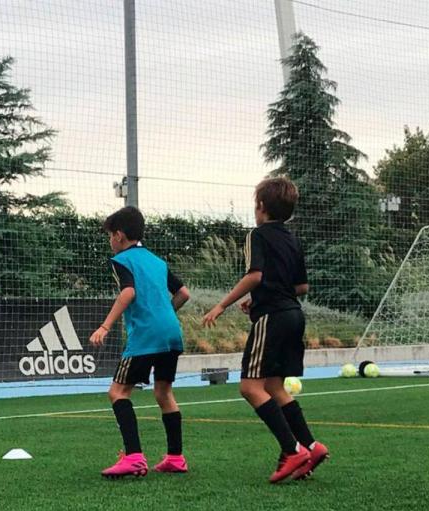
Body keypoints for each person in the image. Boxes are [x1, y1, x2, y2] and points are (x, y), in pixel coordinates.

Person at [201, 176, 329, 483]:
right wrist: (256, 298)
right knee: (274, 387)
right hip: (293, 316)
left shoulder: (257, 235)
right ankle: (311, 446)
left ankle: (292, 449)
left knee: (249, 387)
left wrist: (222, 305)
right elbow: (301, 286)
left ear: (260, 207)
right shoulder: (292, 239)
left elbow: (255, 274)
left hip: (272, 317)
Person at [89, 206, 191, 479]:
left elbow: (128, 292)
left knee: (118, 393)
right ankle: (175, 457)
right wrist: (163, 314)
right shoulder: (157, 261)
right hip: (171, 334)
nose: (110, 241)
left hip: (145, 336)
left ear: (120, 236)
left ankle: (133, 457)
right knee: (164, 393)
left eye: (110, 235)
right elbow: (183, 293)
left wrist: (105, 326)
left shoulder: (121, 260)